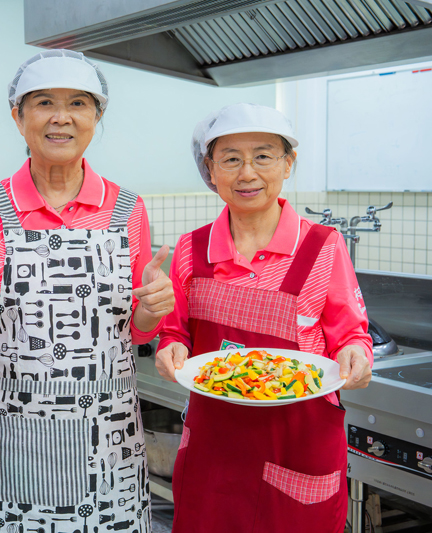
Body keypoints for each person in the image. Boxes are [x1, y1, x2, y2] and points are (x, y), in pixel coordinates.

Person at [0, 49, 174, 532]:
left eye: (79, 104)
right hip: (15, 433)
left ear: (97, 116)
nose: (61, 117)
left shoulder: (127, 208)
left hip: (106, 435)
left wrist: (152, 309)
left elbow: (137, 332)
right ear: (17, 116)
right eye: (44, 102)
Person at [155, 103, 373, 532]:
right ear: (210, 170)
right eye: (231, 159)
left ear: (288, 164)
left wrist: (356, 356)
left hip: (299, 446)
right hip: (212, 451)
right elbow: (174, 330)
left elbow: (351, 335)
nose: (247, 173)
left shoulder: (323, 246)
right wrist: (171, 346)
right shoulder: (190, 249)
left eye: (263, 156)